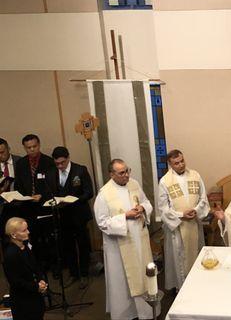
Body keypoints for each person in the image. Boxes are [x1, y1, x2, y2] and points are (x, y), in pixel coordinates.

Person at [94, 159, 157, 320]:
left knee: (143, 276)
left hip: (139, 241)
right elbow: (102, 222)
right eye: (121, 173)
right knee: (123, 280)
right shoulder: (104, 194)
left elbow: (146, 202)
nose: (126, 175)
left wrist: (142, 208)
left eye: (127, 170)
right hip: (119, 246)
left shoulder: (134, 184)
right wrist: (125, 216)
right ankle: (126, 314)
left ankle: (146, 312)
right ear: (111, 174)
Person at [158, 149, 209, 291]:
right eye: (176, 163)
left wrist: (196, 210)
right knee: (180, 257)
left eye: (182, 161)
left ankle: (198, 285)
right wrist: (181, 214)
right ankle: (182, 289)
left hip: (194, 223)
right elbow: (163, 208)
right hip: (178, 227)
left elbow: (203, 198)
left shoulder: (195, 175)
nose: (181, 165)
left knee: (196, 253)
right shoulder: (165, 182)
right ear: (170, 164)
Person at [46, 146, 94, 289]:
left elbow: (89, 192)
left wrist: (74, 200)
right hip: (62, 215)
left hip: (78, 214)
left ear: (68, 158)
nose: (60, 166)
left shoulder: (80, 170)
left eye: (62, 163)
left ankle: (84, 273)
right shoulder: (51, 173)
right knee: (68, 246)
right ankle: (74, 274)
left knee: (83, 244)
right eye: (57, 163)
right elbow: (49, 192)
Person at [14, 134, 55, 268]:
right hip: (28, 207)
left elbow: (53, 185)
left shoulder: (48, 162)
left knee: (49, 237)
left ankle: (53, 265)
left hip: (44, 206)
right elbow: (19, 185)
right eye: (28, 147)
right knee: (34, 237)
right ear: (25, 148)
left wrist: (42, 195)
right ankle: (39, 264)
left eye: (34, 146)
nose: (32, 149)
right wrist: (23, 197)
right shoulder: (20, 163)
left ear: (39, 145)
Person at [2, 217, 47, 320]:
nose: (28, 232)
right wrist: (36, 287)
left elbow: (35, 266)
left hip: (35, 297)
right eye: (24, 230)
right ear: (13, 235)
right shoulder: (10, 255)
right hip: (23, 301)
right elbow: (15, 281)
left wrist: (41, 280)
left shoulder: (25, 246)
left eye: (27, 228)